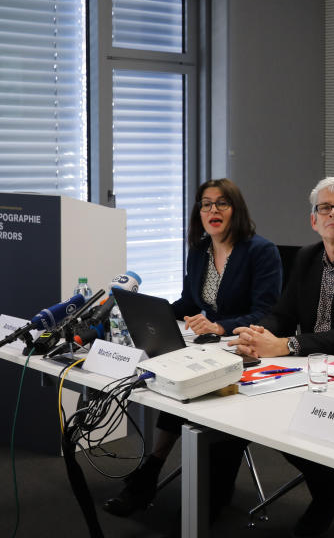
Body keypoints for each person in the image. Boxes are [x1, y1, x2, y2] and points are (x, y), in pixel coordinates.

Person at [231, 176, 334, 537]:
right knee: (267, 418)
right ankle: (327, 487)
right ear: (314, 220)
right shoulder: (308, 257)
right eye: (325, 207)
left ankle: (328, 493)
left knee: (291, 414)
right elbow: (283, 312)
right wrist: (258, 334)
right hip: (315, 369)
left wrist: (287, 346)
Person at [104, 178, 281, 518]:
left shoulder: (261, 251)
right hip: (209, 349)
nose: (212, 210)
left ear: (236, 209)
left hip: (245, 350)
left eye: (221, 203)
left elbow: (267, 312)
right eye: (205, 204)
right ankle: (152, 471)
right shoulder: (199, 251)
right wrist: (151, 314)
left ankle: (161, 479)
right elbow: (189, 301)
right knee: (178, 384)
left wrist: (220, 326)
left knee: (195, 388)